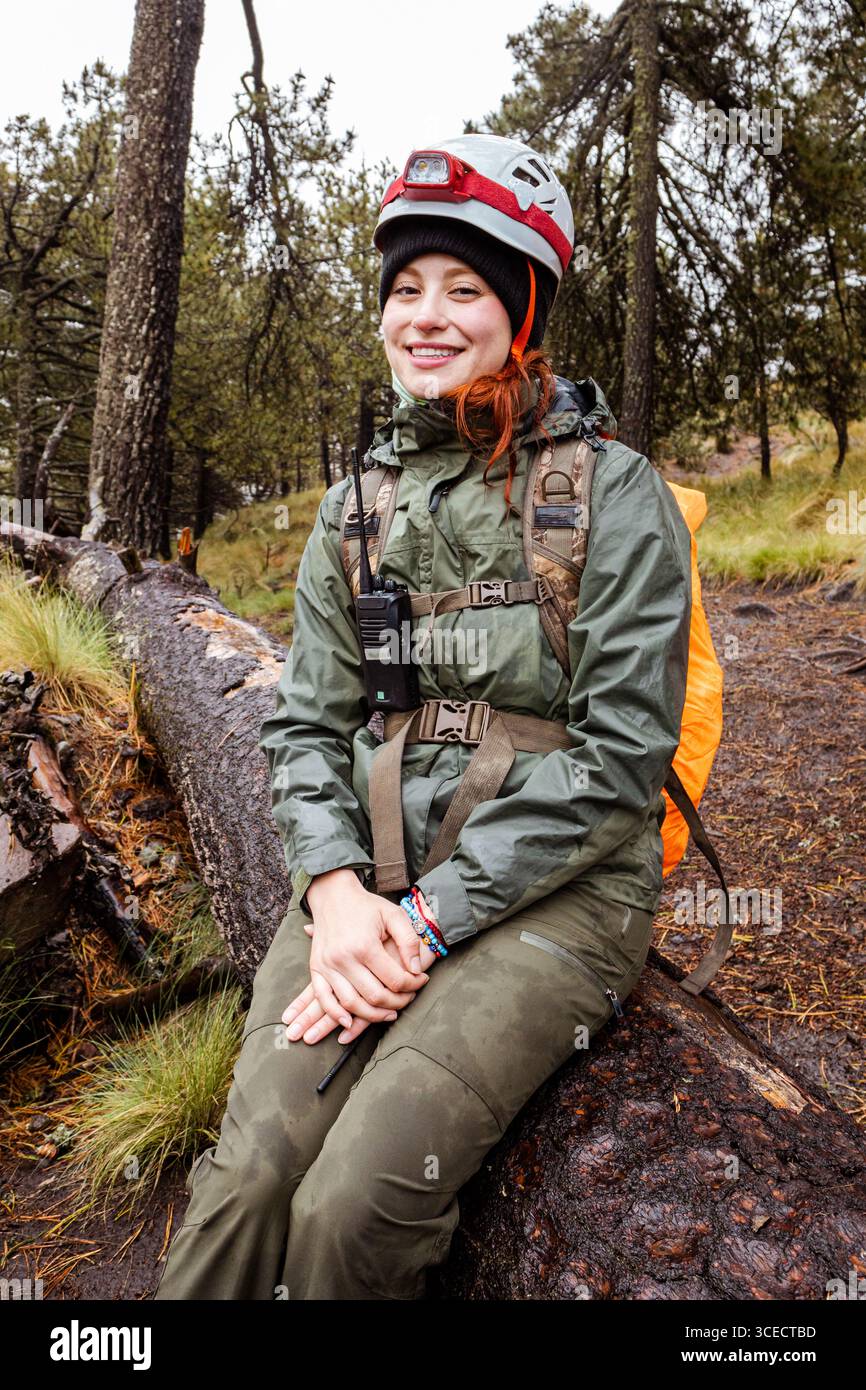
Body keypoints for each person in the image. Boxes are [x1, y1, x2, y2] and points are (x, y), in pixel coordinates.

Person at [153, 133, 693, 1302]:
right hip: (366, 891)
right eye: (405, 289)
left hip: (563, 895)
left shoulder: (615, 496)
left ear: (523, 308)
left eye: (463, 288)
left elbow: (617, 764)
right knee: (250, 1175)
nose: (425, 315)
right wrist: (339, 892)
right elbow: (305, 728)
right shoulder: (354, 509)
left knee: (355, 1201)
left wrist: (428, 923)